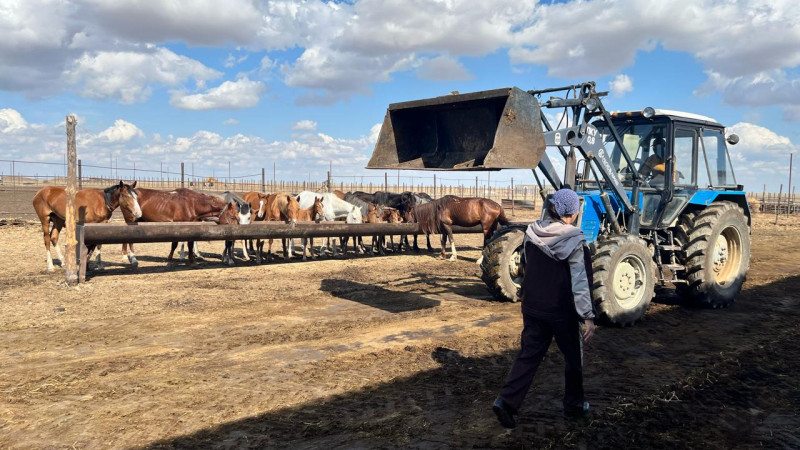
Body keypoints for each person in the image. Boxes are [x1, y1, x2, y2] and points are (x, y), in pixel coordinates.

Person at [493, 188, 596, 429]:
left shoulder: (531, 232)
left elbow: (526, 267)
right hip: (562, 312)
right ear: (572, 212)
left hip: (532, 307)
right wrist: (587, 317)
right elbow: (580, 282)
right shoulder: (574, 239)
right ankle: (574, 406)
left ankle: (506, 402)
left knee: (528, 356)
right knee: (573, 359)